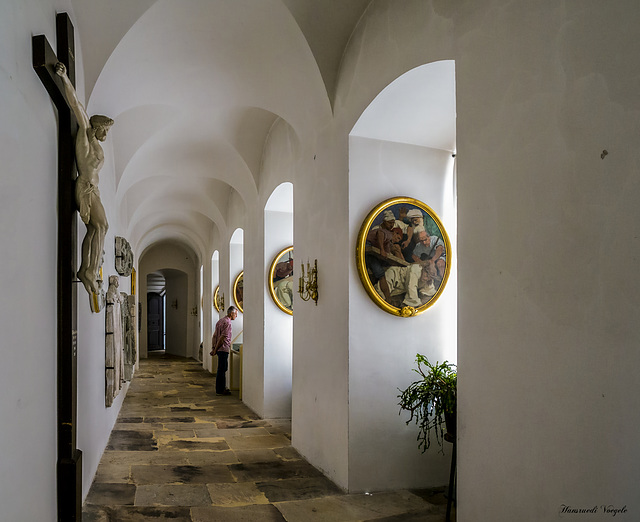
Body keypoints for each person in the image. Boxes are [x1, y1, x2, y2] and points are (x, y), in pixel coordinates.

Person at [55, 62, 114, 295]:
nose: (105, 134)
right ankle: (90, 271)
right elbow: (75, 104)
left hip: (94, 190)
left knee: (93, 230)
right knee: (103, 226)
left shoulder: (96, 144)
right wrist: (65, 78)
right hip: (85, 187)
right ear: (96, 126)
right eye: (105, 129)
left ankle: (85, 269)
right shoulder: (85, 133)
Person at [210, 306, 238, 395]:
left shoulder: (220, 321)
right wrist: (215, 349)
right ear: (231, 313)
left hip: (219, 349)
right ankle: (220, 390)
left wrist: (213, 348)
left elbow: (214, 336)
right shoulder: (228, 323)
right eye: (236, 314)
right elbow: (222, 338)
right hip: (223, 349)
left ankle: (221, 388)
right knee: (222, 369)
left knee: (221, 369)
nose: (236, 316)